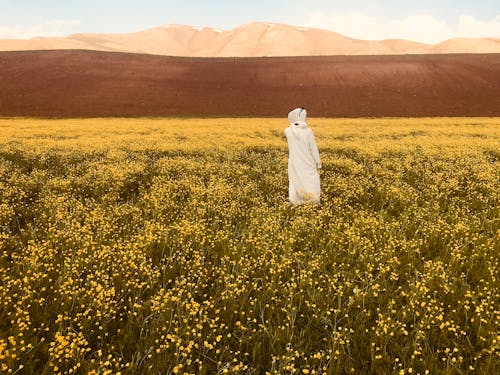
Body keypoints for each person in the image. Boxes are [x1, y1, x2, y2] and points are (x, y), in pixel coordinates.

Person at [284, 108, 322, 204]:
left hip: (294, 162)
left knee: (295, 180)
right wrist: (318, 163)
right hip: (308, 162)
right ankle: (313, 201)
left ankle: (296, 201)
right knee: (311, 181)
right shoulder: (308, 131)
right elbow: (313, 149)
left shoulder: (287, 131)